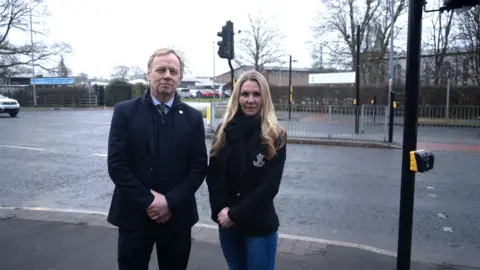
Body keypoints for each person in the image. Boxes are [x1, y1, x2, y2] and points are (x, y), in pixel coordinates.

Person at [107, 48, 208, 270]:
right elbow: (117, 165)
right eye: (161, 69)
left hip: (177, 218)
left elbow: (198, 167)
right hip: (134, 216)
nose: (167, 75)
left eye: (173, 71)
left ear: (180, 77)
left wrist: (169, 202)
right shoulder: (124, 112)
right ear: (148, 74)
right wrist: (150, 202)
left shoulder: (193, 118)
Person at [206, 69, 287, 270]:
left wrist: (236, 214)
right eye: (245, 94)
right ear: (237, 97)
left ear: (264, 98)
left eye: (256, 94)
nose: (250, 100)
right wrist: (220, 212)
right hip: (227, 223)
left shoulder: (275, 135)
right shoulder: (224, 131)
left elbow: (269, 185)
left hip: (258, 225)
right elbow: (214, 177)